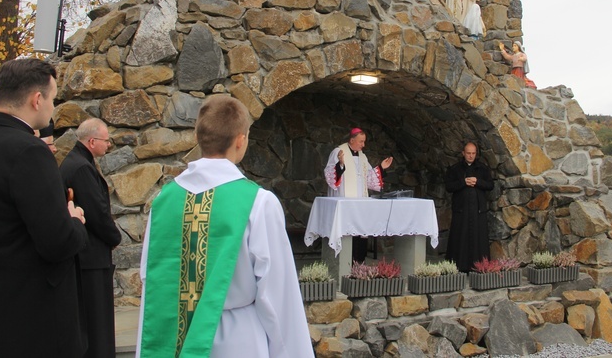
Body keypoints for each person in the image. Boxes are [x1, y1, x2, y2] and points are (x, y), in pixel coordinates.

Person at [137, 95, 312, 357]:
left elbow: (149, 280)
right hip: (237, 340)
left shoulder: (164, 201)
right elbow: (278, 295)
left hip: (171, 336)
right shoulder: (258, 203)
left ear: (197, 135)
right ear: (241, 140)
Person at [0, 58, 88, 357]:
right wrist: (74, 221)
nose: (52, 107)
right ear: (37, 100)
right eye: (53, 98)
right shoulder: (29, 151)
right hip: (30, 316)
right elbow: (57, 242)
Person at [60, 118, 122, 358]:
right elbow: (97, 213)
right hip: (91, 258)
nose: (109, 146)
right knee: (97, 322)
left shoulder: (76, 162)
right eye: (106, 141)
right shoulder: (81, 168)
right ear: (92, 141)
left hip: (86, 256)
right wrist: (114, 237)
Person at [324, 127, 393, 261]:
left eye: (364, 141)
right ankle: (344, 260)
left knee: (360, 230)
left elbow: (368, 177)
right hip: (345, 200)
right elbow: (330, 175)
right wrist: (341, 165)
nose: (363, 145)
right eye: (361, 142)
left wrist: (381, 168)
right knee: (346, 229)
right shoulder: (338, 152)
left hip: (360, 202)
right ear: (352, 140)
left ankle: (359, 263)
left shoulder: (362, 156)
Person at [444, 142, 494, 272]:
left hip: (478, 210)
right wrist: (463, 182)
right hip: (461, 210)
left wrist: (478, 182)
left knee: (479, 238)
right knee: (460, 237)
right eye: (468, 153)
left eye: (473, 153)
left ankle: (479, 267)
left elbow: (490, 185)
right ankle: (458, 266)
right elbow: (449, 186)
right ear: (463, 153)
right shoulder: (455, 169)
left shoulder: (483, 169)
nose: (471, 156)